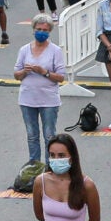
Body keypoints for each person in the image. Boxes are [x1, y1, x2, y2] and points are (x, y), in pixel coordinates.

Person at [12, 13, 67, 169]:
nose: (41, 32)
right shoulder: (24, 50)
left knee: (49, 135)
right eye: (38, 29)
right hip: (27, 99)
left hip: (48, 100)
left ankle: (51, 167)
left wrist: (45, 72)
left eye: (45, 29)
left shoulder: (55, 51)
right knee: (32, 136)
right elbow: (16, 74)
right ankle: (34, 166)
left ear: (49, 31)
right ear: (33, 29)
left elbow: (61, 77)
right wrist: (25, 72)